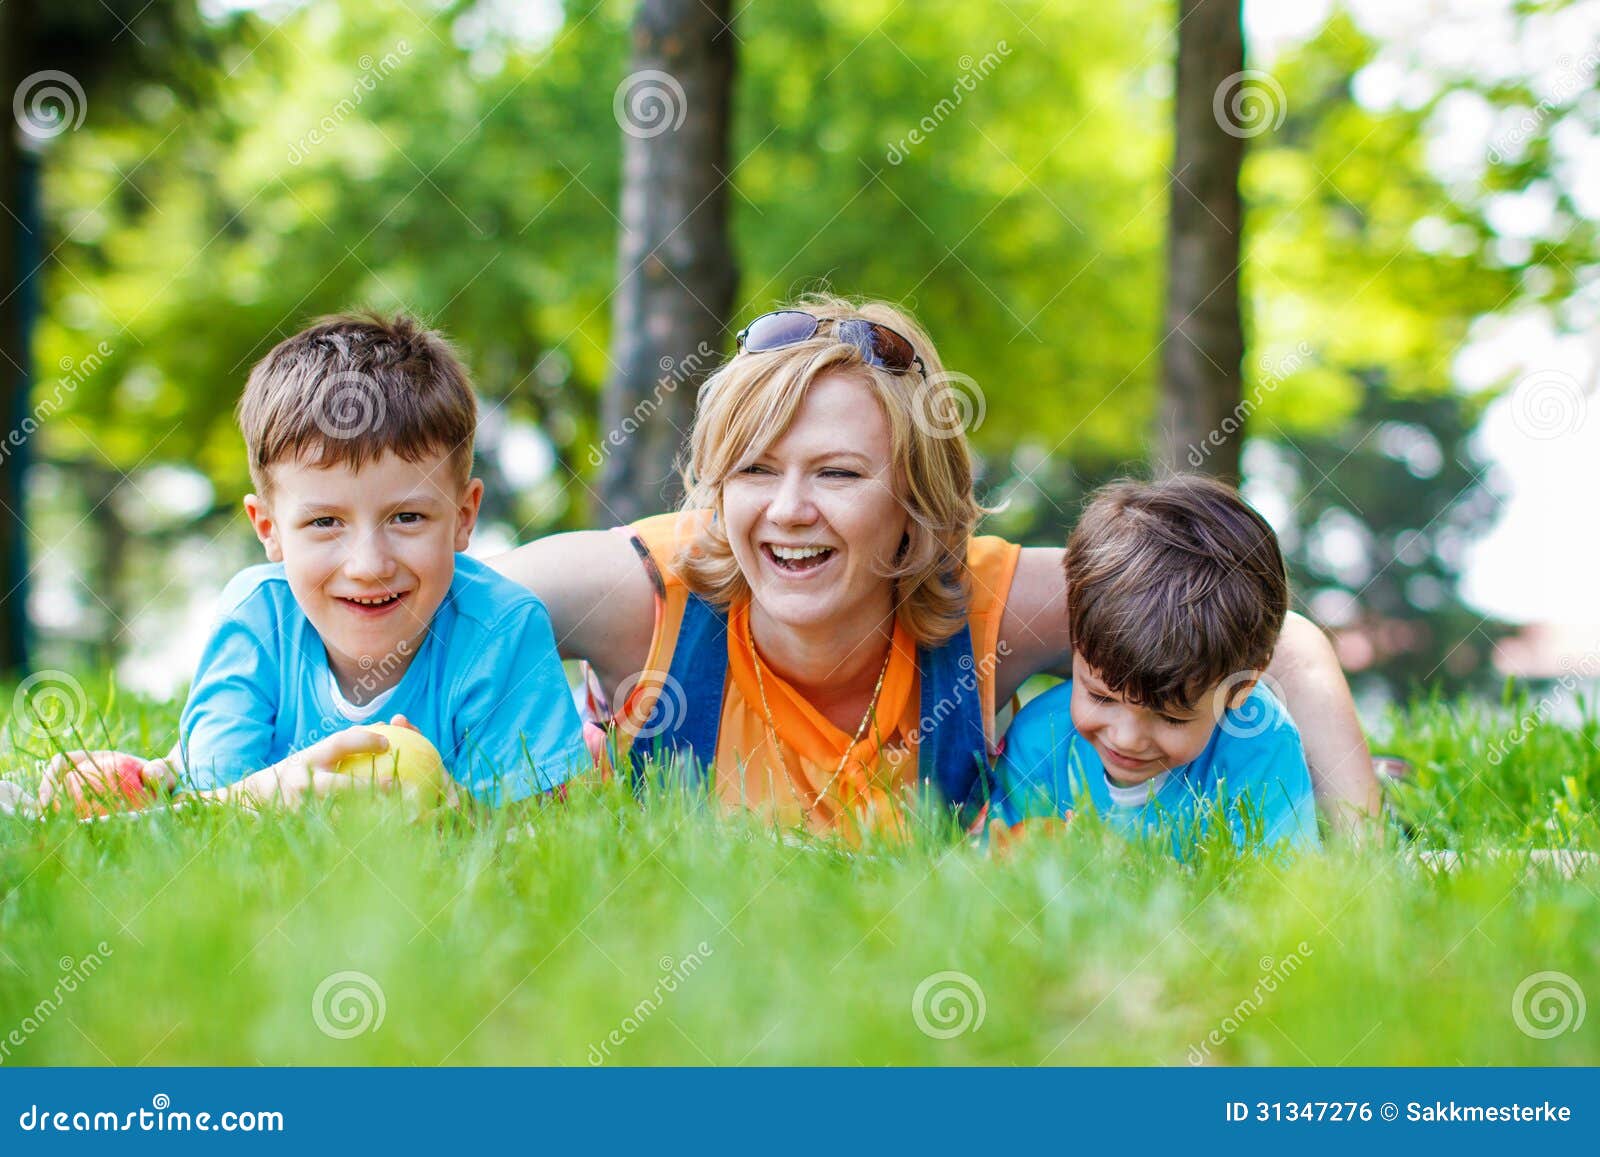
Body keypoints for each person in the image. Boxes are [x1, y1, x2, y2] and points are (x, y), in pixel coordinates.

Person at [490, 295, 1381, 835]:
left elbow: (1279, 641)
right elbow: (436, 604)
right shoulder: (645, 593)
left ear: (914, 500)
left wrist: (1358, 856)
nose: (790, 508)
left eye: (838, 473)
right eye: (755, 469)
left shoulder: (989, 603)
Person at [43, 313, 589, 809]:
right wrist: (255, 794)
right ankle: (158, 769)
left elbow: (542, 834)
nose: (369, 565)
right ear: (269, 530)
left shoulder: (501, 629)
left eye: (407, 518)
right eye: (325, 522)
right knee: (165, 781)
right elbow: (205, 808)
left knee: (580, 767)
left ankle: (589, 742)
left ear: (464, 516)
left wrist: (460, 816)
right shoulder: (257, 618)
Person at [989, 476, 1319, 855]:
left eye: (1171, 717)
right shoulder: (1038, 740)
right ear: (1075, 643)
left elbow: (1278, 895)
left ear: (1240, 687)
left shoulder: (1261, 744)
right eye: (1101, 697)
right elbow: (999, 870)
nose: (1126, 739)